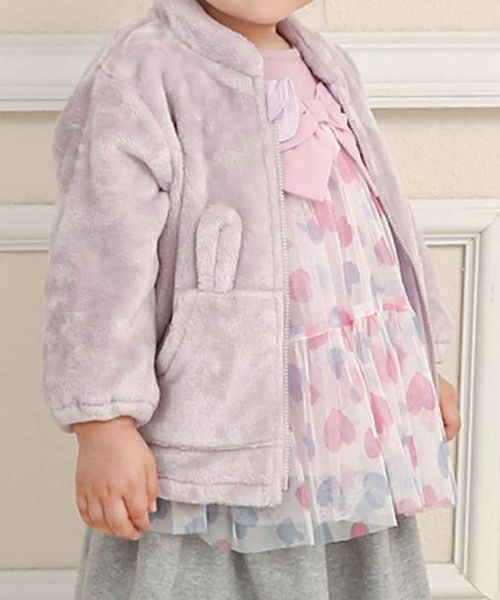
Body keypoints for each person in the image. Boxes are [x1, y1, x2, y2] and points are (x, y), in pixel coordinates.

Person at [42, 0, 462, 598]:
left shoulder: (327, 66)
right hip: (214, 429)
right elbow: (98, 261)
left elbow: (384, 233)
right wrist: (103, 420)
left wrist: (417, 365)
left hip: (346, 437)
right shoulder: (144, 71)